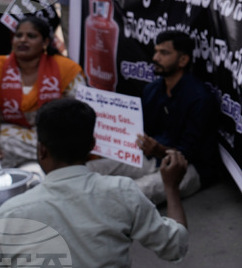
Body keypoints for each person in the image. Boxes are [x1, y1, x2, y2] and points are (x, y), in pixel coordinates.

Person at [0, 99, 189, 268]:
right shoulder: (123, 193)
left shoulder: (6, 217)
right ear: (92, 146)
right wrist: (171, 188)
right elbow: (175, 246)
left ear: (42, 150)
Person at [88, 29, 220, 204]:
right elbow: (143, 131)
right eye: (156, 51)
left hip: (188, 167)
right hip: (152, 157)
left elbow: (187, 154)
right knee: (88, 170)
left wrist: (157, 149)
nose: (155, 58)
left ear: (183, 60)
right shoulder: (152, 90)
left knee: (131, 193)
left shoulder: (200, 98)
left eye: (164, 53)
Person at [0, 15, 84, 181]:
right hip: (10, 138)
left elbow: (77, 116)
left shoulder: (67, 70)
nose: (23, 40)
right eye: (18, 35)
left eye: (31, 36)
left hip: (54, 139)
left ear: (45, 42)